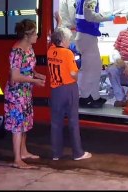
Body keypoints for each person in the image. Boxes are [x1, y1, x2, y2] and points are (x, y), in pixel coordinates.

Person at [4, 19, 46, 169]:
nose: (37, 36)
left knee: (25, 123)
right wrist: (34, 81)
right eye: (35, 33)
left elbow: (28, 68)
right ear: (27, 35)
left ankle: (23, 152)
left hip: (25, 92)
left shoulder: (29, 48)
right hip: (16, 94)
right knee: (17, 125)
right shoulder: (17, 51)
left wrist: (38, 75)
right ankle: (17, 159)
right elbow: (15, 76)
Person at [47, 27, 92, 161]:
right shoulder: (68, 53)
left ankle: (56, 153)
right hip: (69, 89)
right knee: (73, 121)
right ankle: (78, 153)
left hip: (55, 90)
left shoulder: (50, 51)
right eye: (67, 39)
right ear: (62, 40)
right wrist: (77, 74)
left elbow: (55, 36)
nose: (69, 41)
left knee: (56, 123)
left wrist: (58, 21)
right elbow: (73, 74)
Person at [75, 0, 115, 108]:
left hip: (84, 35)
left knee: (94, 68)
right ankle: (85, 97)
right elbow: (90, 16)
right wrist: (107, 17)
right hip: (87, 35)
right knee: (90, 69)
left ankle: (94, 96)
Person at [107, 19, 128, 107]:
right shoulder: (122, 33)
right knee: (111, 70)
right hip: (122, 62)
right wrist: (118, 59)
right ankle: (120, 99)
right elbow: (116, 49)